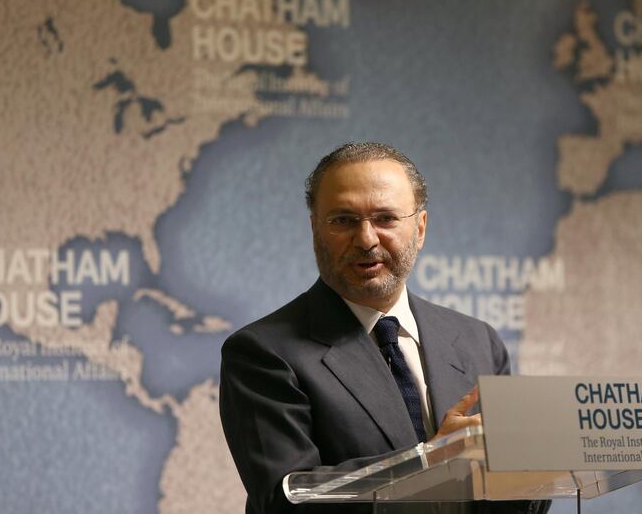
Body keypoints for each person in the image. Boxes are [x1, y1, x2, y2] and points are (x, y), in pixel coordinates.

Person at [220, 142, 549, 514]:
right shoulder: (263, 353)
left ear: (420, 228)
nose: (366, 239)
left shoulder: (478, 341)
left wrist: (535, 466)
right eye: (343, 220)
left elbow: (514, 499)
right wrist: (431, 461)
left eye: (385, 218)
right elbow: (287, 502)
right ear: (315, 229)